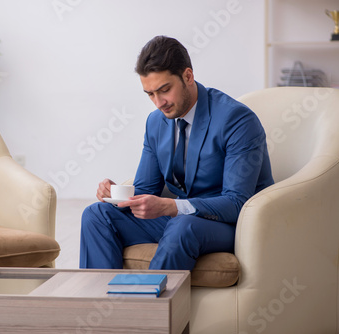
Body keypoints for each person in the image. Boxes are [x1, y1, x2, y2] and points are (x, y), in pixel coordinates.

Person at [79, 36, 274, 270]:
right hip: (181, 221)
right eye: (150, 94)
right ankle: (102, 304)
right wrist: (117, 195)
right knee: (96, 214)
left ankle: (147, 305)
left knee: (182, 226)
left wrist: (172, 207)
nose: (159, 102)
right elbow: (145, 191)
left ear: (188, 76)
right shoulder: (155, 123)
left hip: (228, 223)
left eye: (164, 90)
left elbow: (236, 202)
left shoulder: (237, 120)